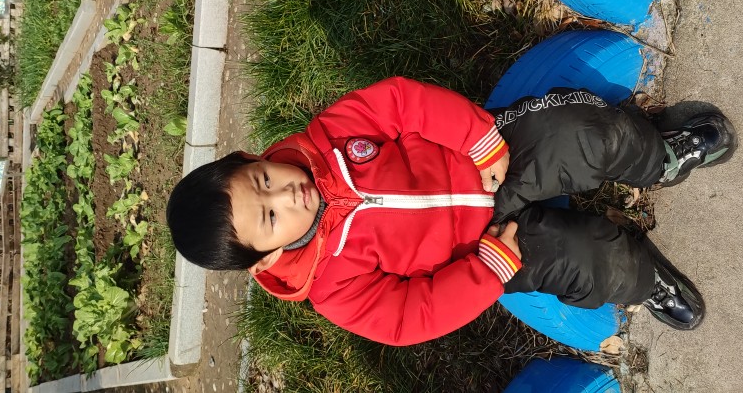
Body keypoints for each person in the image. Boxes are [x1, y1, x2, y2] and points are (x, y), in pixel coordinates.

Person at [167, 77, 736, 346]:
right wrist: (485, 272)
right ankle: (643, 278)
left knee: (581, 133)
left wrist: (476, 138)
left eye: (264, 181)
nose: (286, 196)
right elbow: (408, 317)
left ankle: (660, 157)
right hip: (481, 250)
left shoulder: (330, 137)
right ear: (264, 259)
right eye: (270, 218)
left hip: (486, 161)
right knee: (583, 261)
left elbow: (402, 102)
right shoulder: (332, 289)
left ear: (252, 158)